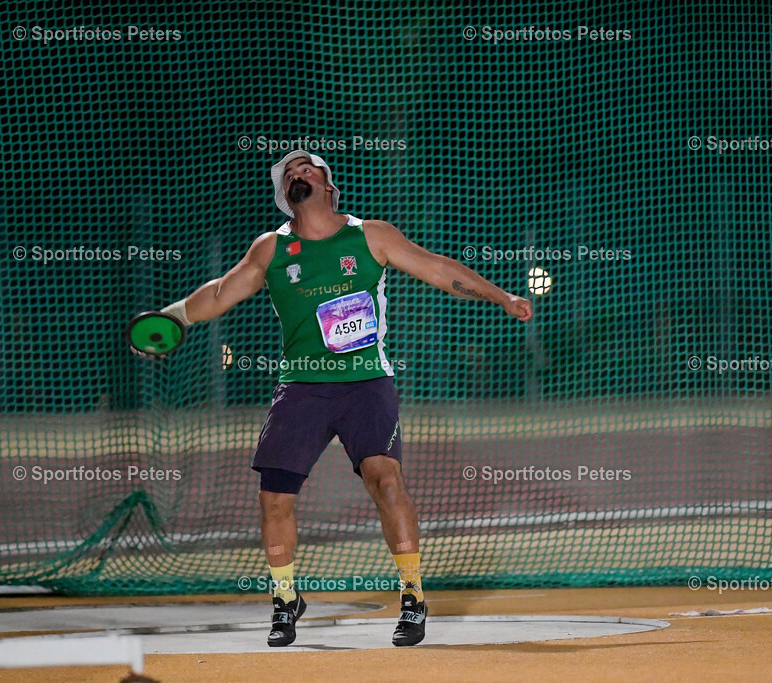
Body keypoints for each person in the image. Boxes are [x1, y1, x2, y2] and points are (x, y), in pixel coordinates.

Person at [145, 150, 533, 647]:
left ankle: (412, 597)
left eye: (307, 167)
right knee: (274, 498)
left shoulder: (370, 235)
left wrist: (502, 297)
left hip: (365, 382)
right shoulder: (271, 249)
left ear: (330, 184)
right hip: (301, 387)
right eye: (289, 172)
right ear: (285, 195)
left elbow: (437, 269)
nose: (297, 172)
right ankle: (286, 600)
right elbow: (220, 292)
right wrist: (172, 317)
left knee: (385, 478)